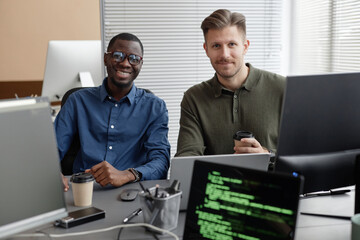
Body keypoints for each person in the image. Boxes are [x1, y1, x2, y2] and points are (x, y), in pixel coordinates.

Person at [55, 33, 170, 191]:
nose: (125, 63)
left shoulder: (155, 108)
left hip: (131, 191)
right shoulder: (77, 101)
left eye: (134, 58)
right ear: (105, 59)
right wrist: (51, 173)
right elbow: (51, 150)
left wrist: (127, 175)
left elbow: (161, 162)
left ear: (140, 64)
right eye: (118, 56)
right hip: (82, 190)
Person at [175, 9, 285, 157]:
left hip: (272, 179)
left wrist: (268, 155)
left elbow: (302, 151)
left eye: (232, 44)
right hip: (216, 180)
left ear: (245, 46)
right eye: (216, 46)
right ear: (206, 49)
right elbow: (187, 156)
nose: (224, 54)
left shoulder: (282, 88)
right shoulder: (193, 98)